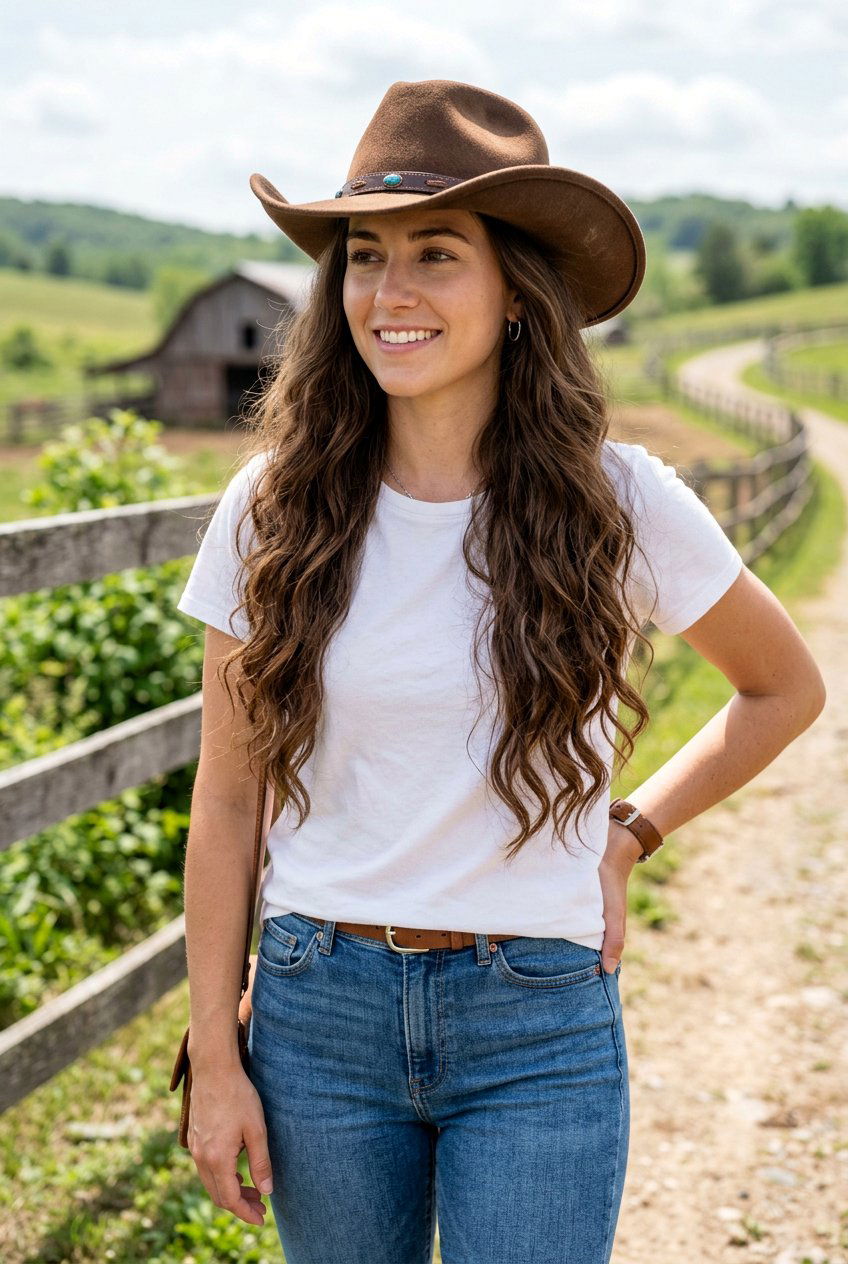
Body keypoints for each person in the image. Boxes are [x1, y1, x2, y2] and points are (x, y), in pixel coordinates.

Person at [174, 79, 826, 1264]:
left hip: (535, 1017)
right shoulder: (272, 509)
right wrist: (214, 1058)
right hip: (318, 1009)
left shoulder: (616, 501)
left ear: (515, 292)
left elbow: (782, 687)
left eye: (435, 253)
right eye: (364, 257)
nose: (390, 291)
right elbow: (226, 799)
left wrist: (628, 832)